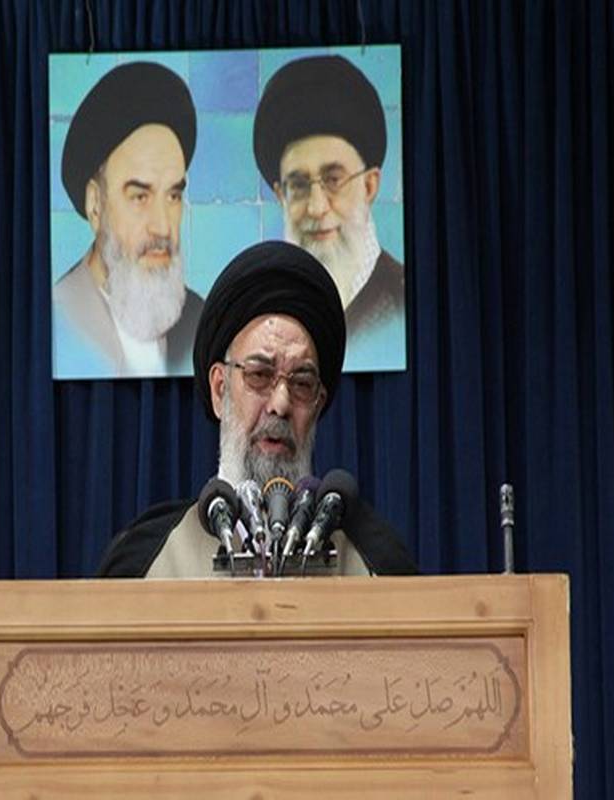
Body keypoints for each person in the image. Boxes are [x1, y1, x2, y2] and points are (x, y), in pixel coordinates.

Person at [96, 241, 416, 578]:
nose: (280, 404)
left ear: (319, 404)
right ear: (220, 389)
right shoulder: (148, 561)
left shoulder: (374, 562)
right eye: (260, 375)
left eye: (302, 383)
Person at [54, 62, 204, 377]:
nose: (162, 226)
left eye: (173, 196)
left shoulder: (198, 320)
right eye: (140, 197)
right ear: (96, 205)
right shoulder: (58, 320)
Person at [252, 55, 405, 345]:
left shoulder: (407, 301)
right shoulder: (263, 314)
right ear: (281, 196)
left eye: (333, 180)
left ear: (369, 186)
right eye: (299, 185)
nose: (317, 207)